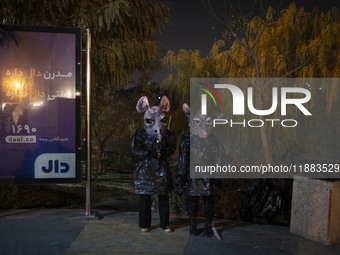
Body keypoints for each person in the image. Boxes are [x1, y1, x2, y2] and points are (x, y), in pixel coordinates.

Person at [177, 103, 223, 237]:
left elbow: (218, 160)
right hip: (193, 176)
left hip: (208, 175)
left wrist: (217, 177)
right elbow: (183, 159)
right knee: (193, 203)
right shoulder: (187, 140)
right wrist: (182, 176)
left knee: (208, 203)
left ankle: (207, 227)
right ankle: (193, 227)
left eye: (208, 122)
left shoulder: (215, 141)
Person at [131, 95, 176, 233]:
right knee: (145, 197)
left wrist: (164, 153)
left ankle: (164, 224)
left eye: (161, 120)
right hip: (145, 169)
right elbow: (135, 150)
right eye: (150, 120)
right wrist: (147, 153)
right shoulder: (140, 135)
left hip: (161, 169)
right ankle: (144, 225)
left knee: (163, 196)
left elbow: (171, 148)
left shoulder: (168, 135)